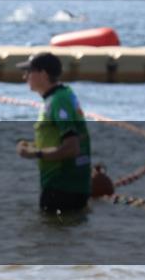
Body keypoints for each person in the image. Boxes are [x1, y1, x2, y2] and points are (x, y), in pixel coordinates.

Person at [16, 52, 92, 214]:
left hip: (62, 186)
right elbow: (60, 139)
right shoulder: (63, 94)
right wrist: (34, 146)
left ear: (43, 74)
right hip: (69, 186)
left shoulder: (58, 101)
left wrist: (34, 153)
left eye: (29, 71)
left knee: (51, 234)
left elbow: (72, 148)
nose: (25, 76)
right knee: (59, 235)